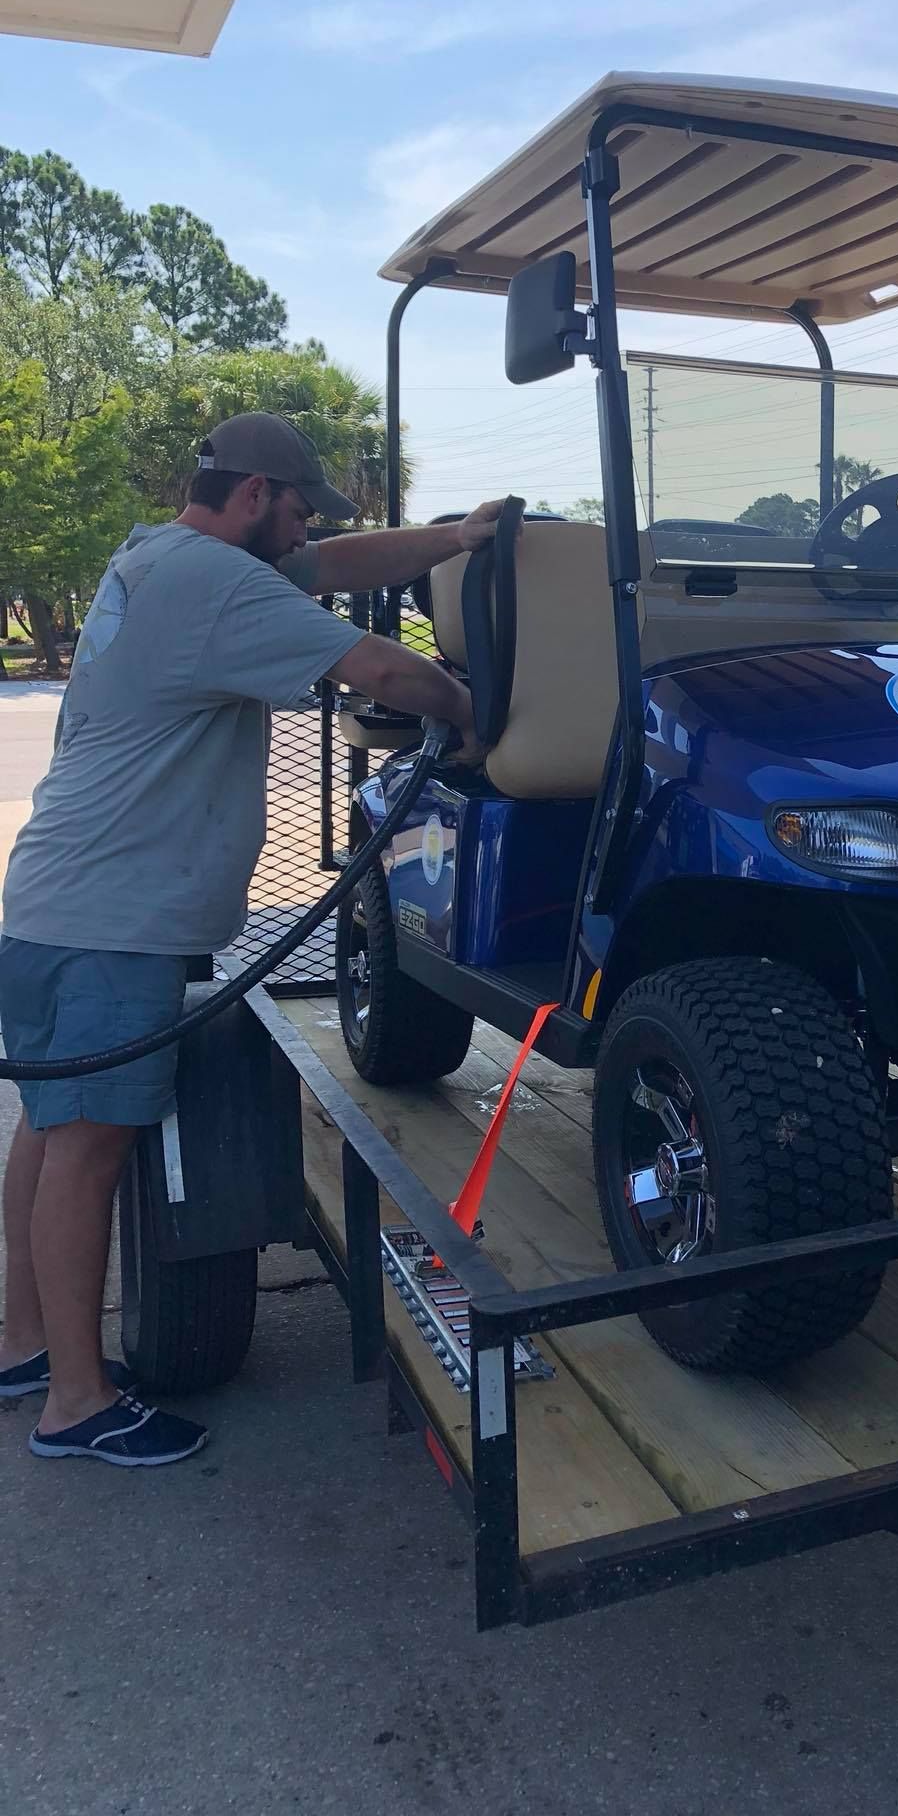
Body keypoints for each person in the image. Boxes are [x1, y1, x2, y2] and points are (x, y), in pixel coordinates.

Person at [0, 410, 509, 1467]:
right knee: (92, 1144)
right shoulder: (218, 584)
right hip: (113, 913)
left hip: (57, 893)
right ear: (252, 497)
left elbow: (331, 562)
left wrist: (454, 539)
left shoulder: (159, 553)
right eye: (294, 507)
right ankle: (79, 1404)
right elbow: (384, 670)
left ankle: (26, 1345)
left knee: (51, 1129)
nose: (303, 529)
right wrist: (475, 713)